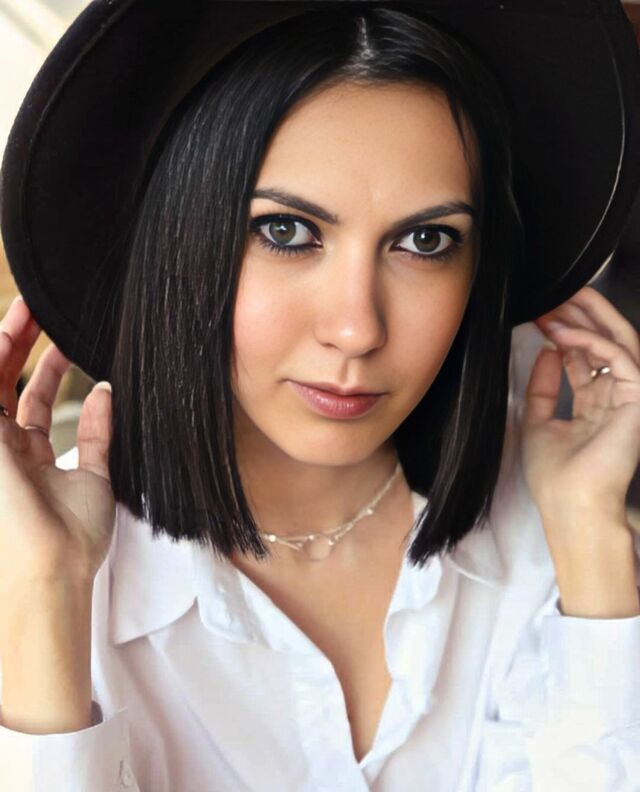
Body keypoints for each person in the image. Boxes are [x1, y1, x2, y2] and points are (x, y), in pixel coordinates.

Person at [0, 1, 639, 789]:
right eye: (286, 232)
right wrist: (45, 599)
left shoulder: (547, 521)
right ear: (178, 239)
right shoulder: (45, 567)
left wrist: (592, 541)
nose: (356, 328)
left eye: (425, 240)